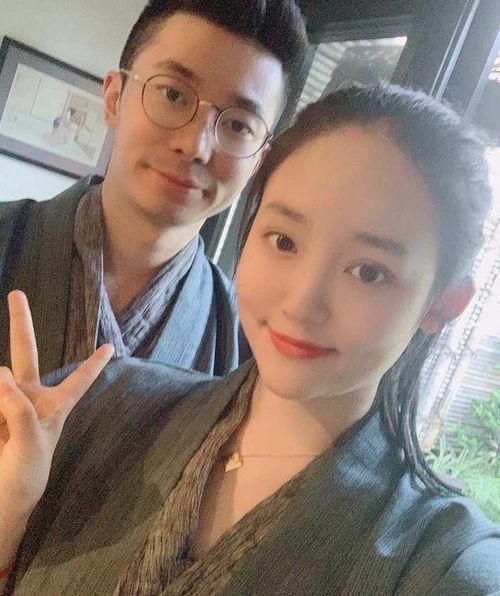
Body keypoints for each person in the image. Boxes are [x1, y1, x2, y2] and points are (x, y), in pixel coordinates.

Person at [1, 84, 499, 595]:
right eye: (284, 241)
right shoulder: (104, 403)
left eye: (369, 272)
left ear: (443, 303)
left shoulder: (446, 566)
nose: (301, 304)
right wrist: (10, 516)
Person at [0, 0, 307, 376]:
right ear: (114, 98)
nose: (196, 146)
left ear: (259, 159)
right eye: (173, 95)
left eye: (239, 126)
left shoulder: (248, 346)